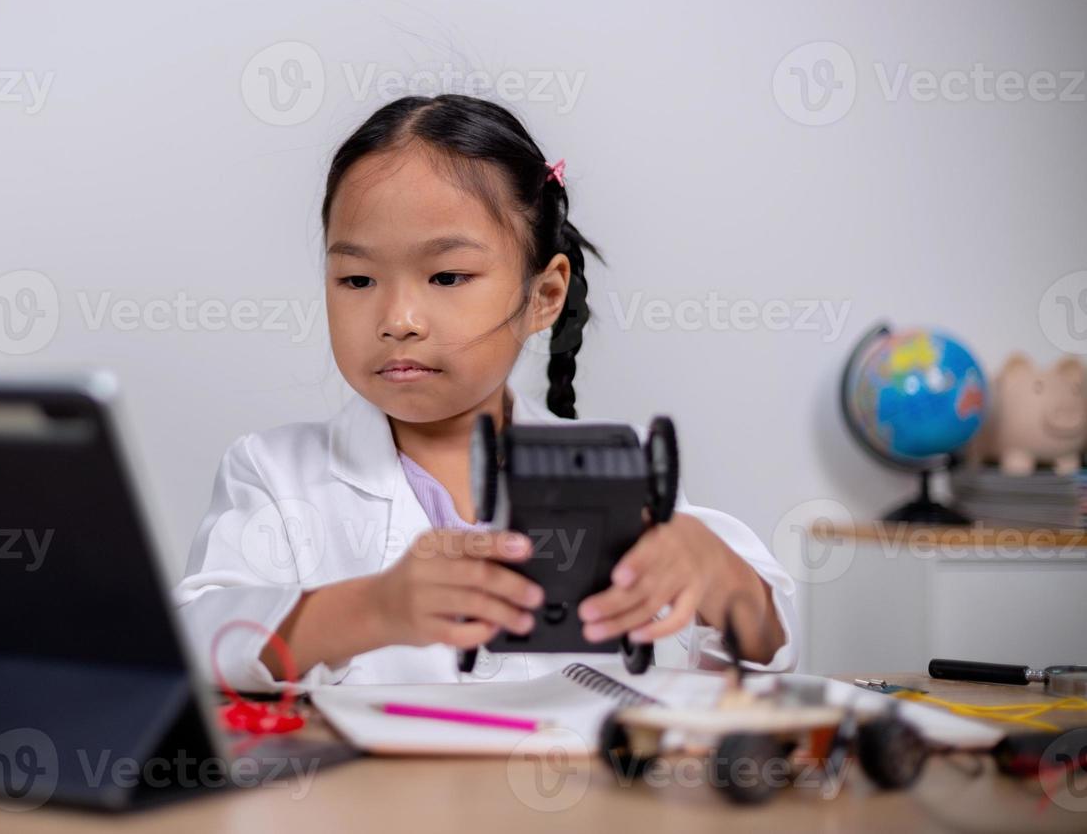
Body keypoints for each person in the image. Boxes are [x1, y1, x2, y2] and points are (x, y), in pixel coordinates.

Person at [174, 94, 797, 690]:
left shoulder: (624, 465)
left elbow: (774, 643)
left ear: (544, 296)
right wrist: (373, 609)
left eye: (448, 276)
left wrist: (722, 579)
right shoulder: (274, 474)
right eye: (356, 278)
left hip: (589, 797)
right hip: (371, 801)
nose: (398, 319)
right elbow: (196, 640)